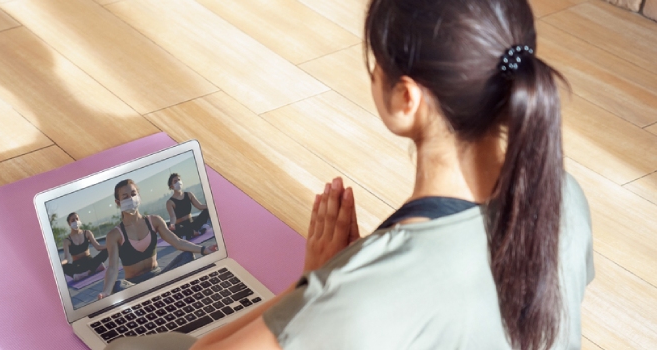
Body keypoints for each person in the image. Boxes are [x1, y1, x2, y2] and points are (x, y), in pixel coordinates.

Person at [107, 0, 594, 348]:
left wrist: (314, 282)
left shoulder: (371, 283)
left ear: (407, 99)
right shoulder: (563, 200)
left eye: (374, 64)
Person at [98, 179, 218, 299]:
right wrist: (106, 292)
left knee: (188, 256)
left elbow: (178, 242)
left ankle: (159, 297)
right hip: (135, 287)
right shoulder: (114, 234)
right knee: (118, 285)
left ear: (138, 196)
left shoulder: (154, 221)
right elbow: (113, 267)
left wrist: (204, 249)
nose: (131, 198)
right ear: (118, 202)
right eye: (125, 197)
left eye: (133, 194)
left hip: (159, 277)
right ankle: (165, 296)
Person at [61, 212, 108, 280]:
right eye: (73, 220)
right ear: (69, 223)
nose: (75, 221)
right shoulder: (67, 240)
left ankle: (85, 272)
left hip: (90, 261)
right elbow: (67, 259)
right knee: (63, 267)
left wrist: (110, 245)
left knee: (107, 250)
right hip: (78, 265)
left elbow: (98, 247)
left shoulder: (87, 233)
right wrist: (60, 264)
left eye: (77, 219)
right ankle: (94, 269)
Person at [166, 173, 210, 240]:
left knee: (207, 210)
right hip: (182, 226)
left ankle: (191, 233)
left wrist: (211, 206)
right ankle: (196, 231)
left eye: (179, 180)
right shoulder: (170, 202)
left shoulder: (189, 194)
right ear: (171, 186)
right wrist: (172, 224)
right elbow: (173, 216)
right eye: (175, 181)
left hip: (192, 224)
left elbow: (200, 206)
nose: (178, 182)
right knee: (173, 228)